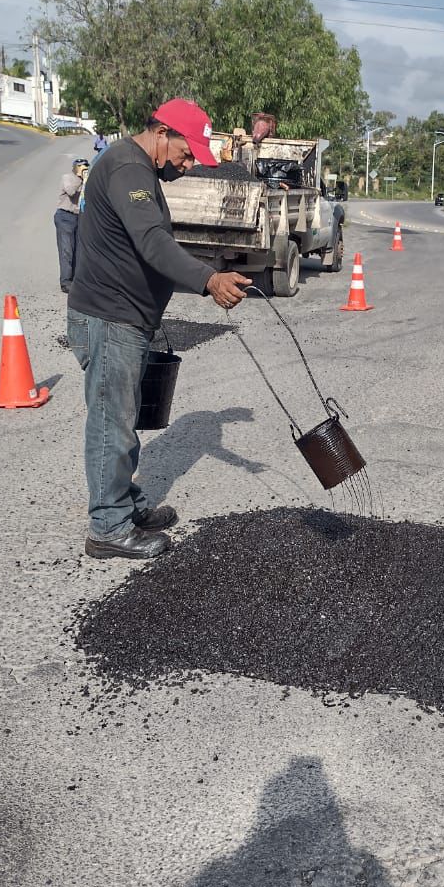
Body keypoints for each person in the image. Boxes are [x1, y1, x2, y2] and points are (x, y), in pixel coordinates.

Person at [67, 99, 251, 561]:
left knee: (124, 419)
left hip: (124, 317)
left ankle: (124, 506)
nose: (188, 165)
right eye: (186, 153)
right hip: (110, 319)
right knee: (112, 422)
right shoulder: (129, 169)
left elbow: (149, 250)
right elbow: (152, 243)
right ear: (162, 132)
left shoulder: (139, 169)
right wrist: (208, 279)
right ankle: (107, 526)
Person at [54, 159, 88, 292]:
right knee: (67, 249)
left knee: (79, 251)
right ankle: (66, 282)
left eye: (85, 166)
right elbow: (71, 191)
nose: (83, 169)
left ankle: (76, 279)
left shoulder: (87, 180)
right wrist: (81, 179)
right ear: (75, 167)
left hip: (80, 217)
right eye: (80, 167)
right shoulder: (67, 178)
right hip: (65, 216)